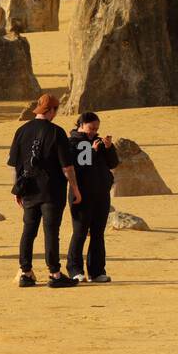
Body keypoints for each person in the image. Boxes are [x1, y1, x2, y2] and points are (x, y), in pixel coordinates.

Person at [7, 93, 82, 288]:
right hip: (52, 191)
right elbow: (67, 168)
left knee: (28, 230)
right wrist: (75, 188)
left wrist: (17, 190)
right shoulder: (57, 132)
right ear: (52, 111)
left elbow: (14, 165)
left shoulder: (22, 130)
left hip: (29, 189)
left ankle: (25, 272)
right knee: (51, 232)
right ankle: (55, 274)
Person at [66, 112, 119, 283]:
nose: (93, 132)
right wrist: (93, 151)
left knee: (98, 233)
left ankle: (96, 271)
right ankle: (75, 269)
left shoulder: (98, 141)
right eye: (91, 128)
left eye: (96, 129)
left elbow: (113, 163)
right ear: (81, 124)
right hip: (81, 195)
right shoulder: (74, 142)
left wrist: (109, 147)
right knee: (80, 232)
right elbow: (80, 167)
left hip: (101, 194)